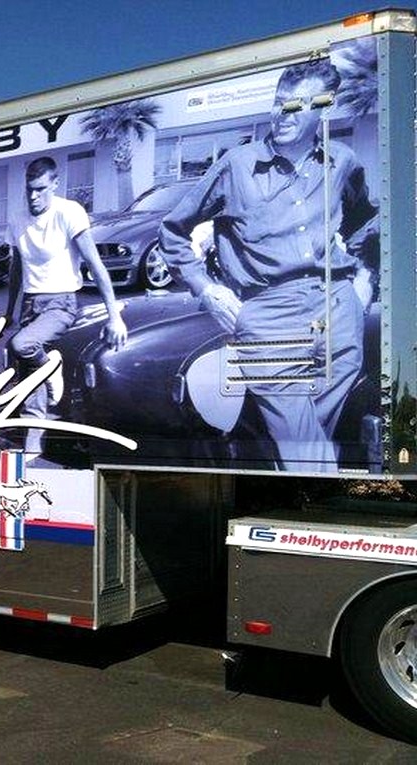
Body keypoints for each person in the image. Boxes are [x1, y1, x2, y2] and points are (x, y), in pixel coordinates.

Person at [159, 59, 377, 472]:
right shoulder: (236, 166)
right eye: (279, 104)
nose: (283, 115)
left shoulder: (341, 163)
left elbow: (366, 218)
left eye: (297, 106)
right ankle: (322, 519)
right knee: (306, 447)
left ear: (323, 111)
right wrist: (206, 289)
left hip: (338, 310)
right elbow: (172, 231)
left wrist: (364, 278)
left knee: (308, 441)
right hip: (267, 316)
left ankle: (292, 492)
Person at [5, 156, 127, 455]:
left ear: (55, 184)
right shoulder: (18, 219)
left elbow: (95, 265)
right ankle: (33, 446)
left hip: (61, 303)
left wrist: (115, 317)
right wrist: (9, 311)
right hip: (31, 305)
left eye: (41, 189)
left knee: (22, 346)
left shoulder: (69, 212)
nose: (34, 196)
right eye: (29, 189)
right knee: (25, 374)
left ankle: (50, 367)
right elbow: (16, 271)